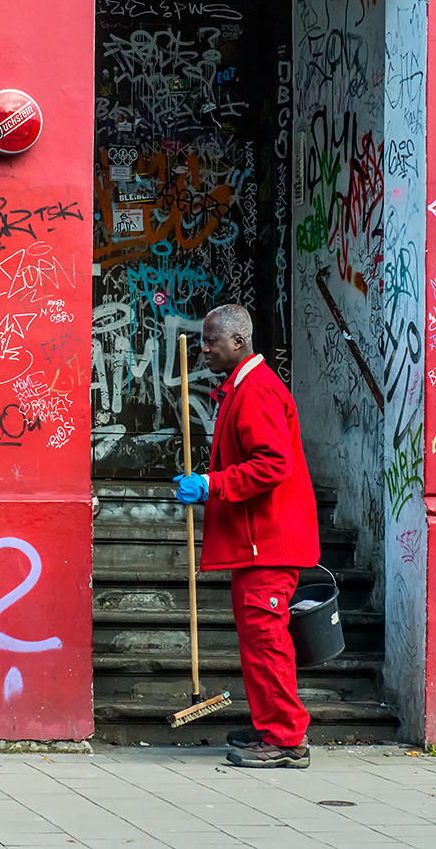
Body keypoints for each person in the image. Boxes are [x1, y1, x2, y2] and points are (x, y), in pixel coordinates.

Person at [173, 304, 320, 769]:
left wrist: (213, 484)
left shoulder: (255, 391)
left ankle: (285, 739)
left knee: (267, 638)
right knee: (258, 639)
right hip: (258, 542)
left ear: (238, 342)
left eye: (210, 340)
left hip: (269, 542)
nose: (203, 348)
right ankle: (270, 725)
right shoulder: (242, 388)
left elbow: (274, 464)